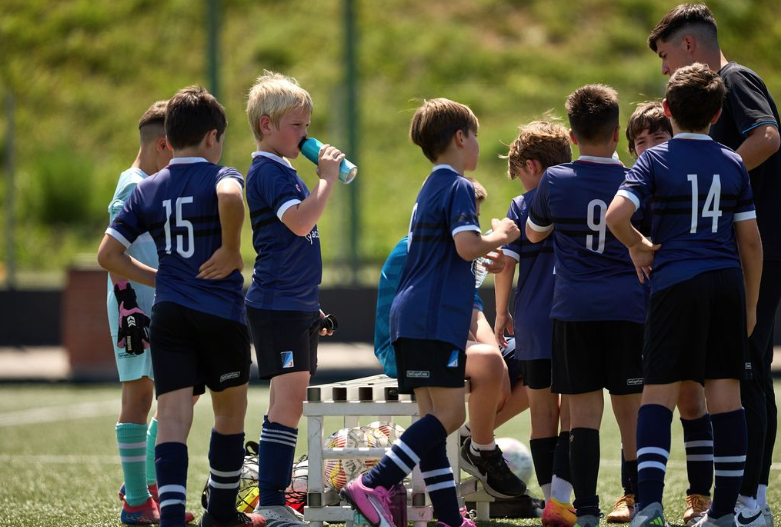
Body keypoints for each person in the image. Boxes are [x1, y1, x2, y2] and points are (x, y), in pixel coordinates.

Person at [342, 97, 520, 527]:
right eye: (475, 136)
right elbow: (466, 246)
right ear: (461, 137)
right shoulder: (458, 186)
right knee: (450, 415)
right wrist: (500, 235)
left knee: (432, 419)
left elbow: (450, 255)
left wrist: (481, 252)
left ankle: (448, 517)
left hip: (411, 318)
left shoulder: (428, 187)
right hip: (432, 319)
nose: (477, 144)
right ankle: (375, 482)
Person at [98, 86, 264, 527]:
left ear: (170, 138)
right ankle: (222, 515)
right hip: (219, 313)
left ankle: (170, 514)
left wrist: (159, 278)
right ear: (213, 136)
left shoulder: (147, 188)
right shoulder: (220, 174)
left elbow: (107, 256)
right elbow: (231, 196)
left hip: (169, 315)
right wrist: (231, 249)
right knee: (229, 413)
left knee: (171, 416)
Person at [606, 63, 763, 527]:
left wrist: (639, 245)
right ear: (717, 114)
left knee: (657, 396)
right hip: (725, 285)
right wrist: (750, 304)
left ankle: (649, 507)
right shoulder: (733, 161)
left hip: (675, 285)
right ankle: (724, 515)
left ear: (668, 110)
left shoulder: (655, 160)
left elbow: (617, 216)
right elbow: (751, 241)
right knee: (726, 397)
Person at [647, 6, 780, 525]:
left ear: (687, 46)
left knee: (748, 370)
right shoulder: (717, 91)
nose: (662, 69)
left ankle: (753, 501)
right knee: (734, 369)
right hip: (731, 254)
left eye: (664, 55)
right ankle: (742, 500)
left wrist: (710, 174)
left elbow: (768, 137)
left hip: (757, 248)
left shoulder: (735, 79)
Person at [525, 85, 645, 527]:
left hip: (574, 311)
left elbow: (535, 233)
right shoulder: (636, 177)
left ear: (571, 138)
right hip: (628, 309)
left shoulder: (556, 180)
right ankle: (635, 499)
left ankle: (588, 509)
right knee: (631, 411)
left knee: (583, 417)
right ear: (618, 133)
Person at [373, 177, 530, 503]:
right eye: (466, 217)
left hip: (442, 339)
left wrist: (497, 353)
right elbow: (435, 317)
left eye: (474, 216)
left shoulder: (457, 252)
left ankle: (470, 443)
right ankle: (482, 450)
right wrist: (491, 359)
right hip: (409, 347)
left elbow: (472, 311)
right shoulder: (417, 251)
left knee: (540, 363)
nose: (471, 224)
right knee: (479, 375)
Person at [607, 101, 714, 525]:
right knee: (637, 404)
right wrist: (635, 244)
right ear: (633, 150)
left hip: (684, 305)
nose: (650, 146)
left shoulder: (689, 182)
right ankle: (633, 494)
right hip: (639, 311)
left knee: (691, 399)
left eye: (659, 136)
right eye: (641, 141)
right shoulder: (631, 188)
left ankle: (699, 496)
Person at [243, 71, 341, 527]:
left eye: (306, 125)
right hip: (276, 304)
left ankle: (273, 497)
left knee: (290, 400)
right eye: (297, 126)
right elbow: (300, 224)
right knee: (287, 402)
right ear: (267, 125)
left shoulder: (283, 169)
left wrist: (310, 304)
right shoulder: (266, 169)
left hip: (294, 304)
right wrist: (326, 181)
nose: (306, 135)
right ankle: (272, 502)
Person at [492, 119, 577, 527]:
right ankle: (565, 497)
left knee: (543, 411)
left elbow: (506, 265)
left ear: (532, 166)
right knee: (578, 409)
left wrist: (500, 313)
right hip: (580, 316)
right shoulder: (583, 194)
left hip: (535, 320)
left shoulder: (522, 205)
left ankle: (550, 502)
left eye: (519, 172)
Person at [105, 100, 175, 525]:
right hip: (134, 307)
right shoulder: (132, 186)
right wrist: (151, 290)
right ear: (163, 145)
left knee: (173, 394)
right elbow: (113, 257)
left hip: (157, 303)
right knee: (140, 395)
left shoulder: (152, 183)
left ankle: (146, 484)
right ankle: (135, 499)